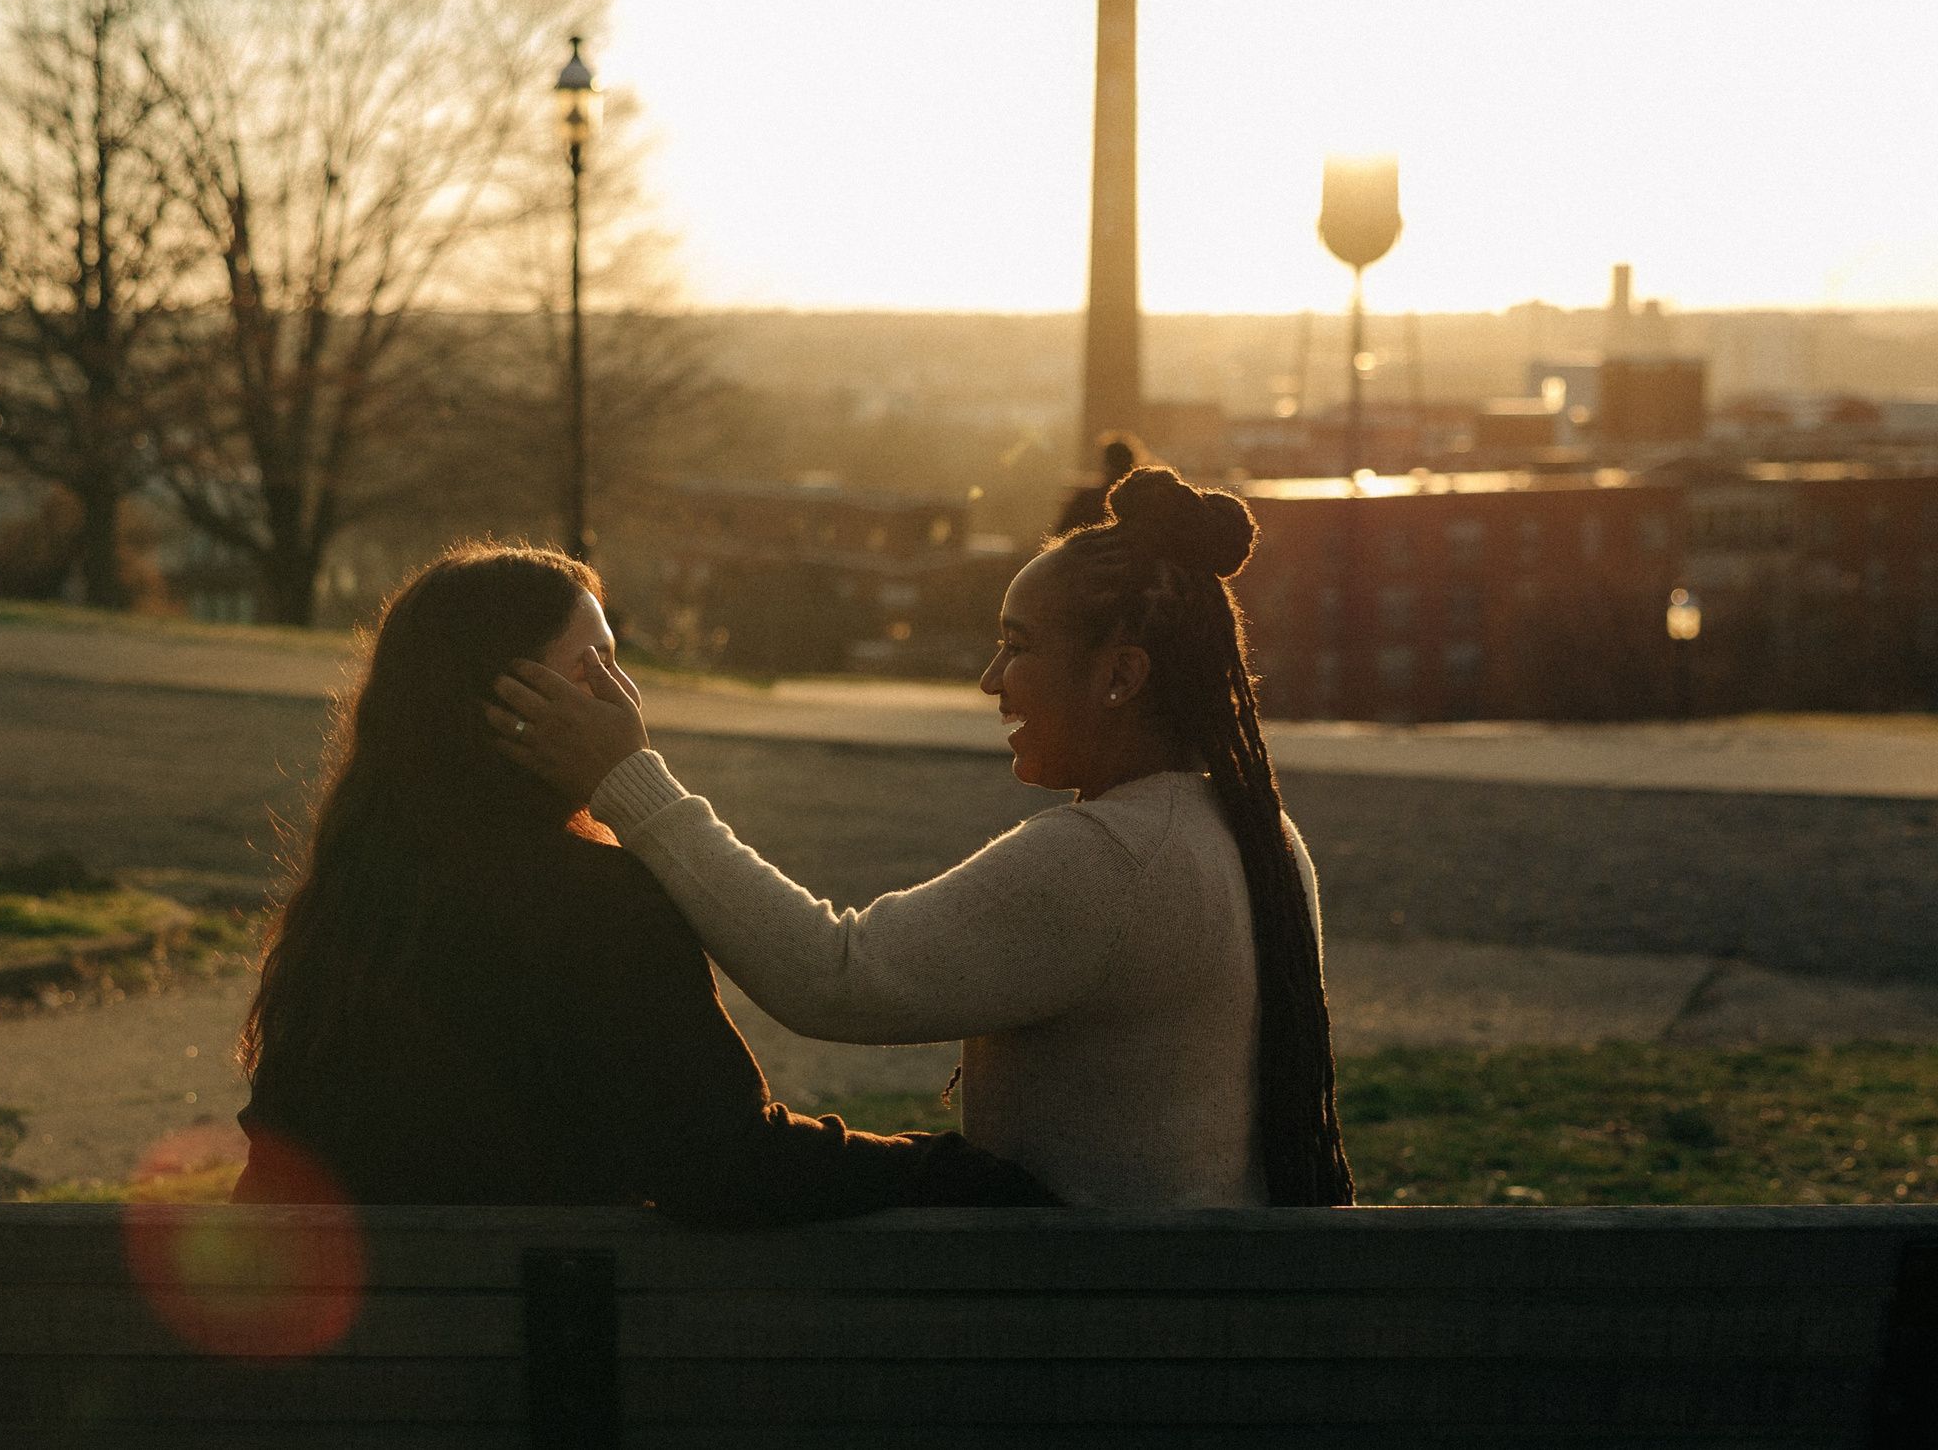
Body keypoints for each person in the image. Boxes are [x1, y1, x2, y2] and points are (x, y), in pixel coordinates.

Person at [489, 469, 1353, 1209]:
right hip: (1193, 1330)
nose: (990, 680)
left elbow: (837, 975)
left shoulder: (1110, 861)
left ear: (1121, 675)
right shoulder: (1255, 832)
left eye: (1017, 647)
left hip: (1103, 1349)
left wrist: (630, 781)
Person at [232, 541, 1055, 1223]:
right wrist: (950, 1172)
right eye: (596, 668)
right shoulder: (591, 904)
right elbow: (726, 1166)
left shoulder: (348, 909)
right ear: (511, 706)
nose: (627, 699)